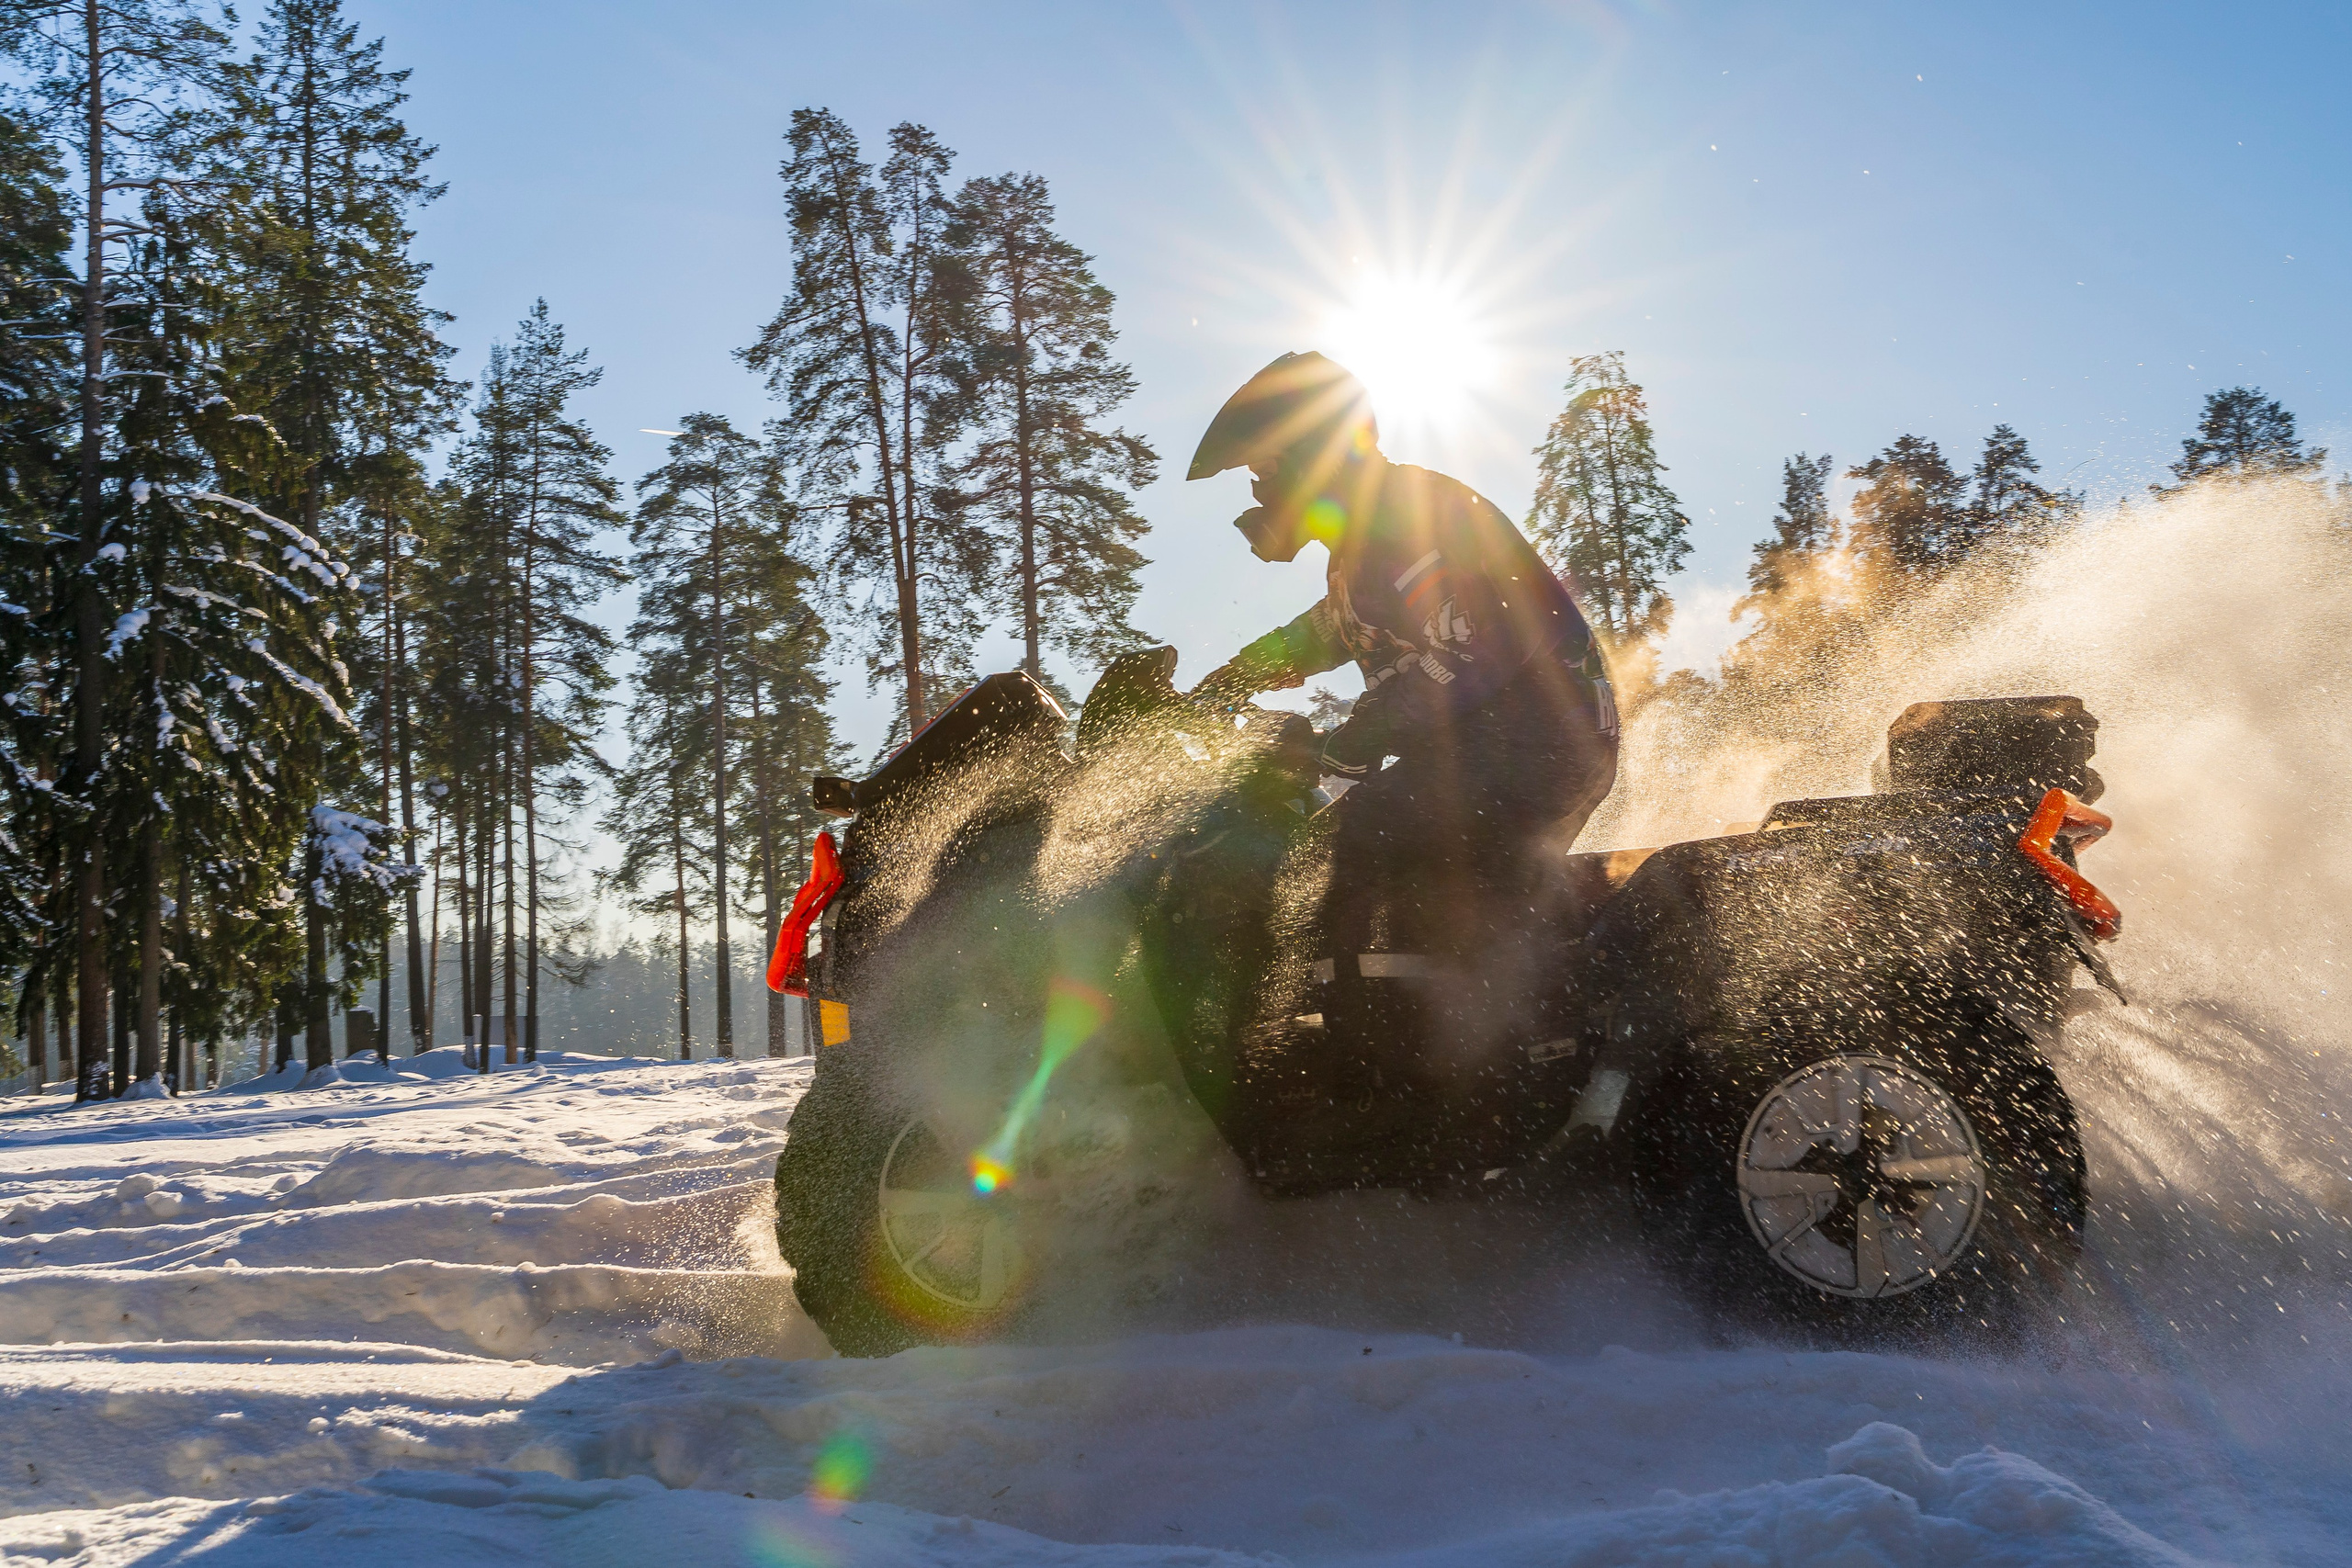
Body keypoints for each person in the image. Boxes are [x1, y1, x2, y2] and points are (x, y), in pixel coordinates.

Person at [1188, 351, 1620, 971]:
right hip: (1500, 751)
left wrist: (1369, 727)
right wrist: (1225, 684)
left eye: (1262, 467)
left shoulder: (1409, 517)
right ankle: (1455, 1011)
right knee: (1371, 868)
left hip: (1539, 744)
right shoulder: (1363, 545)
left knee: (1354, 837)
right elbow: (1325, 631)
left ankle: (1356, 1040)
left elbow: (1481, 643)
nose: (1257, 489)